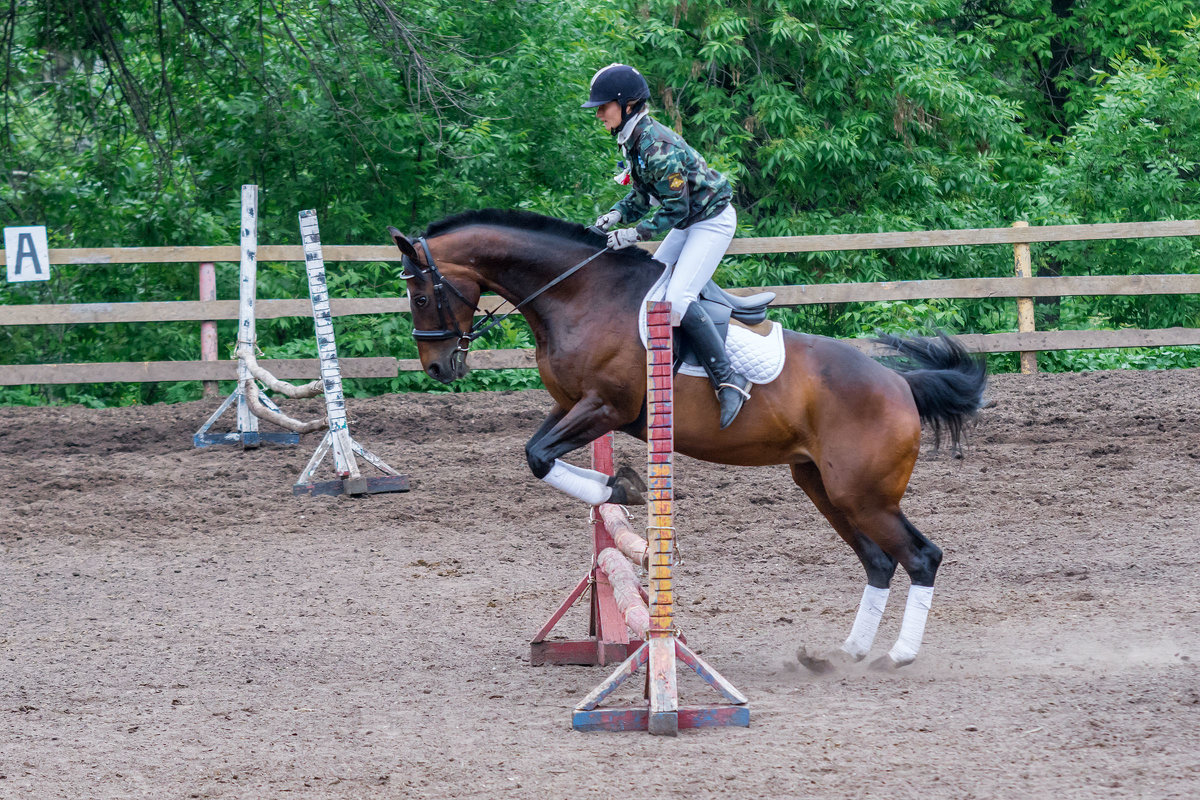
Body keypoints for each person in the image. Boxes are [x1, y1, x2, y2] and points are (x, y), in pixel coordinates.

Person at [583, 63, 750, 429]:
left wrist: (632, 235)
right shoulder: (634, 138)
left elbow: (677, 208)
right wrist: (615, 215)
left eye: (603, 107)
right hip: (688, 220)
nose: (598, 114)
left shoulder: (655, 143)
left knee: (675, 301)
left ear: (626, 104)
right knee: (650, 286)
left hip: (710, 220)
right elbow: (643, 197)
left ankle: (728, 380)